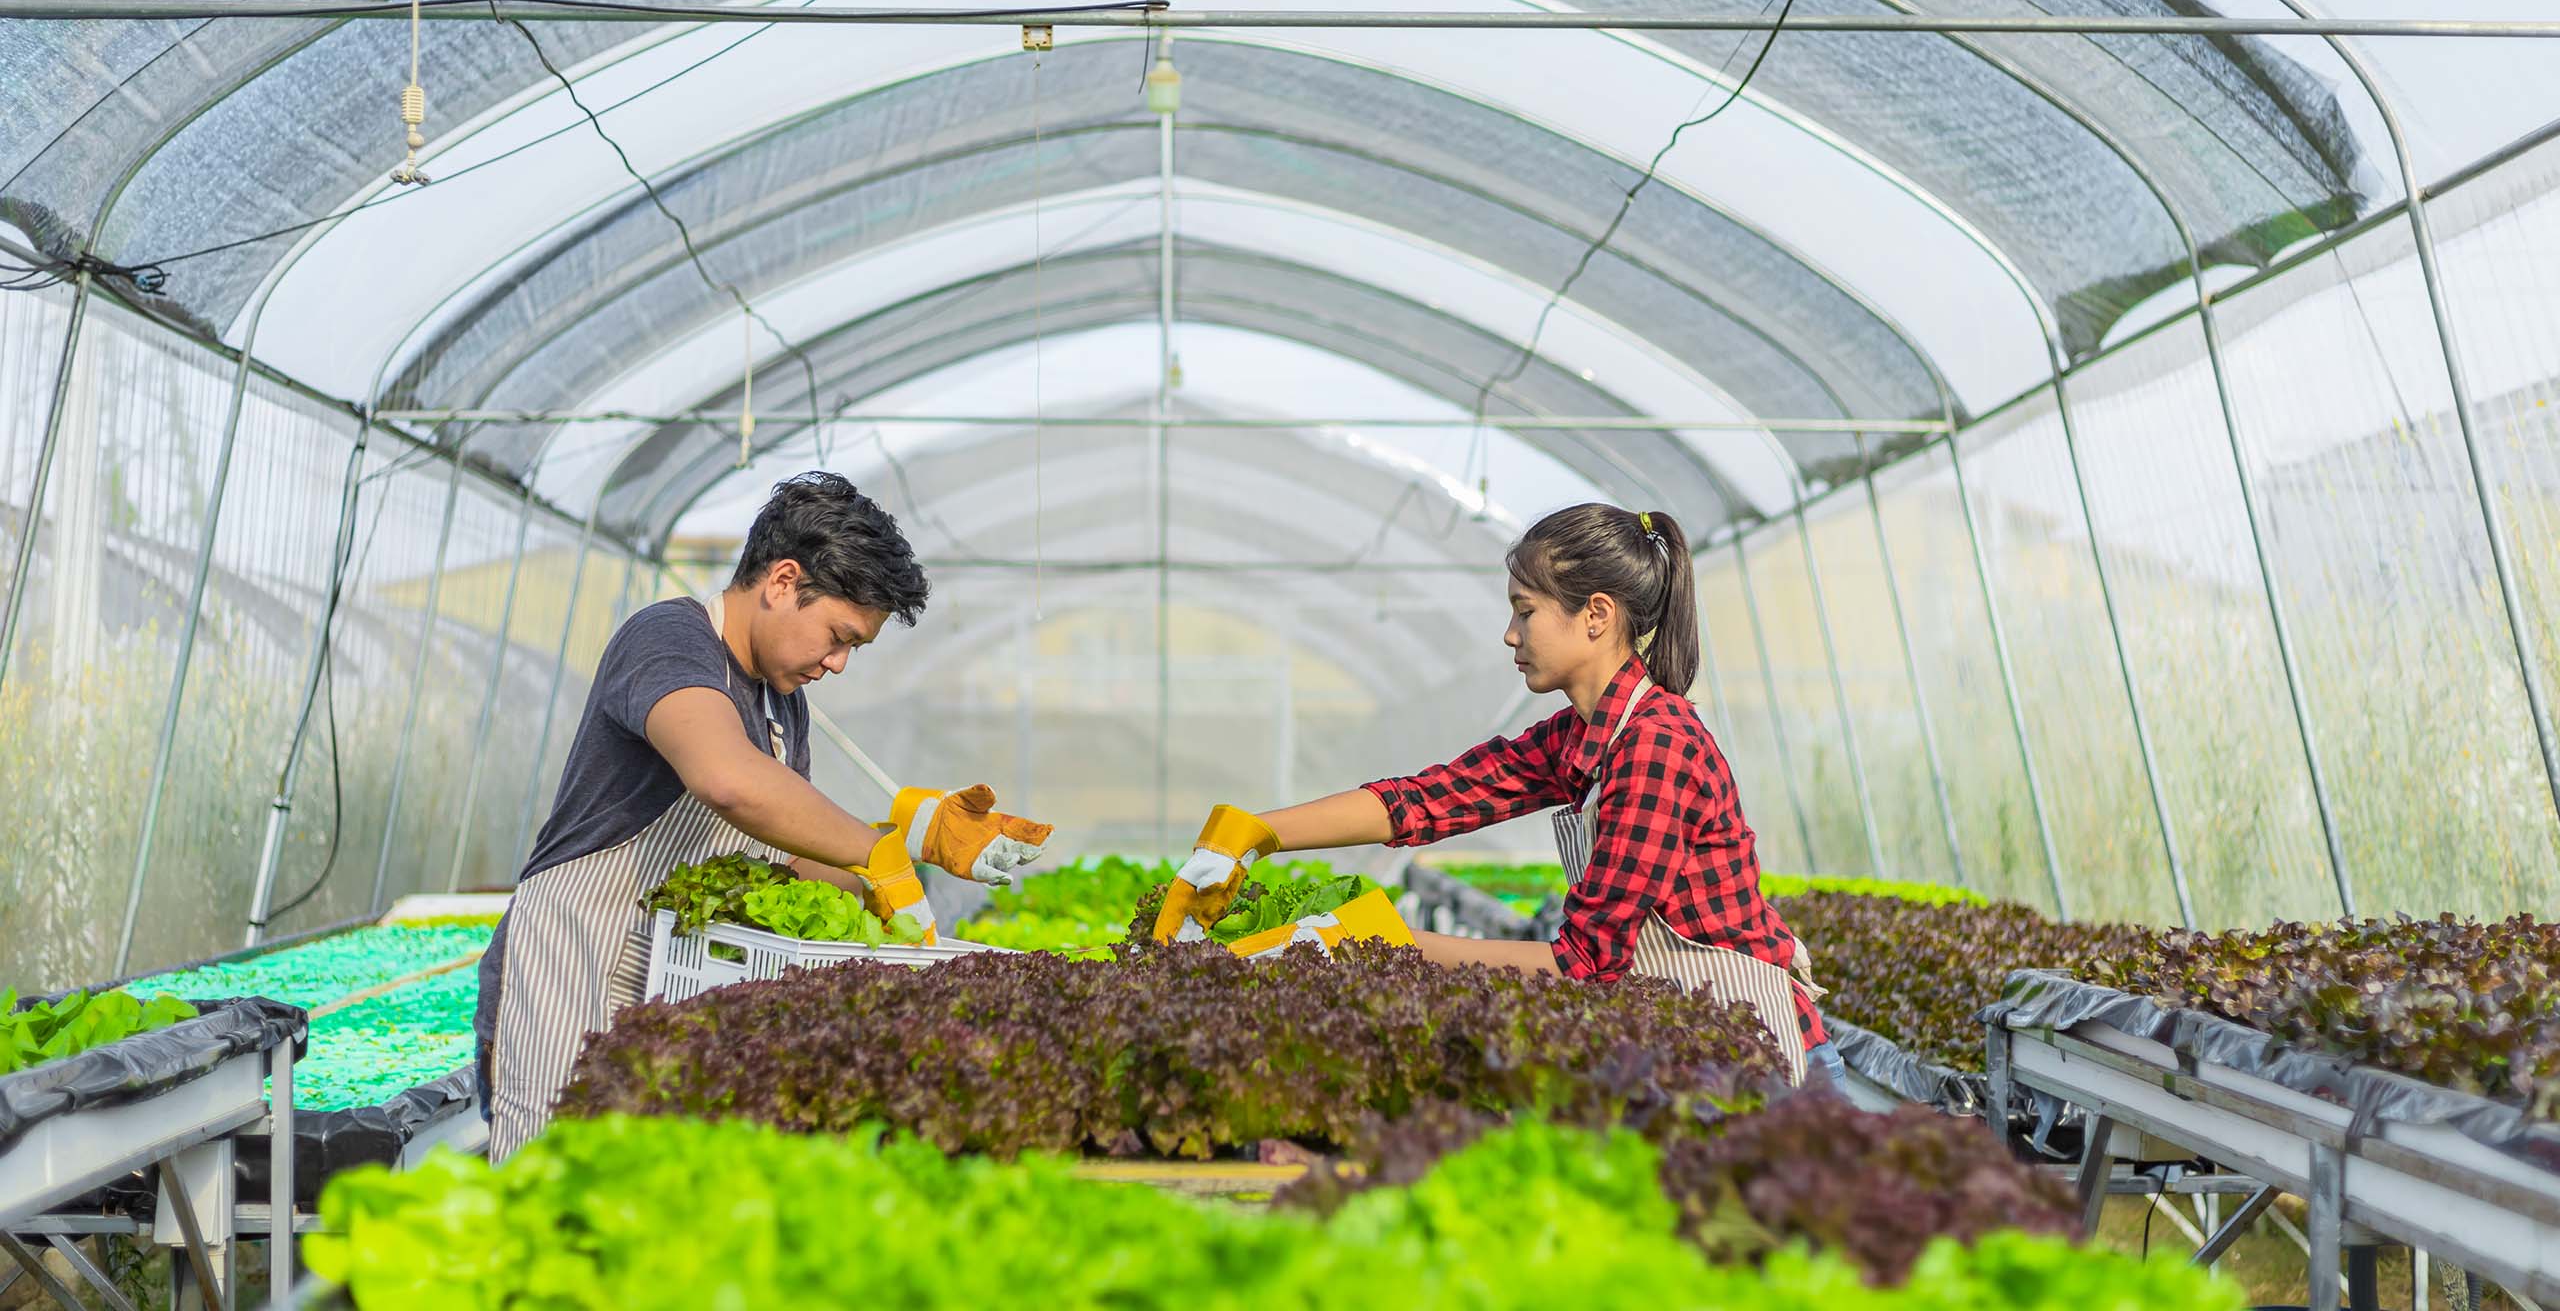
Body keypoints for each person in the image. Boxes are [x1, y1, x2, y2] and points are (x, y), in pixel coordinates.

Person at [1153, 502, 1843, 1093]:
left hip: (1769, 1065)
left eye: (1526, 611)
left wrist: (1385, 943)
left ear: (1596, 615)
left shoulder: (1655, 749)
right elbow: (1430, 800)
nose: (1511, 635)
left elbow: (1586, 964)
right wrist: (1253, 833)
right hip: (1692, 1045)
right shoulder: (1581, 737)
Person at [476, 473, 1052, 1158]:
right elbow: (727, 781)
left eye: (854, 649)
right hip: (571, 975)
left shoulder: (783, 706)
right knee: (556, 1199)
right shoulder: (670, 639)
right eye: (838, 637)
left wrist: (910, 843)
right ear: (782, 581)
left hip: (669, 991)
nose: (838, 664)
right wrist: (874, 854)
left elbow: (790, 856)